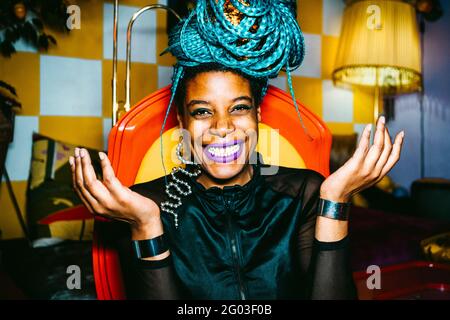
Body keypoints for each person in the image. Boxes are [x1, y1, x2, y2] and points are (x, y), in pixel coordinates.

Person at [69, 0, 404, 299]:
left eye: (239, 108)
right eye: (202, 111)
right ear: (182, 123)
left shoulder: (305, 192)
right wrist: (146, 226)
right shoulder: (144, 205)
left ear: (258, 116)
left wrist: (335, 200)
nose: (222, 126)